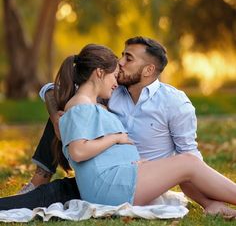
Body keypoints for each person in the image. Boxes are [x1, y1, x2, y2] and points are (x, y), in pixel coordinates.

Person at [0, 38, 235, 216]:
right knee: (51, 193)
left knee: (188, 162)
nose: (120, 63)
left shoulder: (174, 103)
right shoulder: (110, 92)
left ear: (148, 70)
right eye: (122, 56)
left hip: (139, 175)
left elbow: (189, 154)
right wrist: (57, 119)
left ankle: (214, 205)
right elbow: (56, 88)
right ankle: (39, 180)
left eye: (128, 59)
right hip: (112, 178)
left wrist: (206, 200)